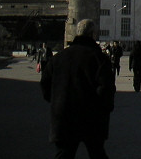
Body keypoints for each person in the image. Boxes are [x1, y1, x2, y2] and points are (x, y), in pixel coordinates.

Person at [40, 19, 116, 159]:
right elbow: (106, 88)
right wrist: (103, 108)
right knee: (97, 153)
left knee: (64, 154)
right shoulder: (99, 58)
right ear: (92, 34)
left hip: (64, 115)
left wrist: (56, 101)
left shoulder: (59, 58)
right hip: (92, 118)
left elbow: (45, 83)